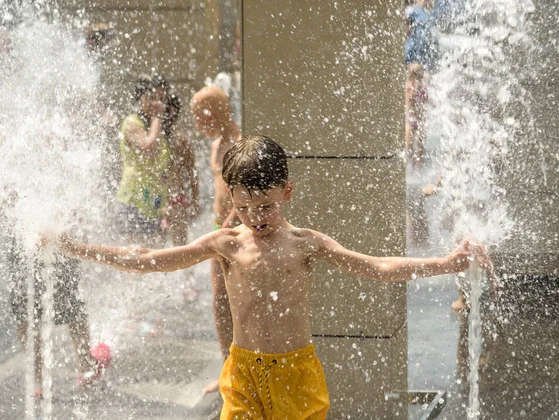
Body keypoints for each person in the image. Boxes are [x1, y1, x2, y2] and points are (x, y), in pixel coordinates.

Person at [45, 135, 486, 418]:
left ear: (287, 192)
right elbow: (148, 257)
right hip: (242, 372)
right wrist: (74, 247)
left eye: (267, 206)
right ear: (232, 200)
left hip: (295, 374)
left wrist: (448, 263)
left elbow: (377, 266)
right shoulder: (227, 244)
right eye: (245, 208)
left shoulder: (305, 243)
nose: (256, 218)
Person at [1, 192, 110, 398]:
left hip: (21, 229)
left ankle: (39, 382)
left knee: (27, 304)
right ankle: (86, 368)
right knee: (69, 299)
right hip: (55, 227)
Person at [190, 85, 240, 392]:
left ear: (218, 112)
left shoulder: (238, 142)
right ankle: (227, 369)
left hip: (234, 231)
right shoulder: (216, 144)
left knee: (236, 301)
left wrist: (230, 223)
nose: (197, 124)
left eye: (200, 116)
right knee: (220, 301)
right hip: (220, 229)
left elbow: (244, 189)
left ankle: (238, 372)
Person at [115, 74, 172, 245]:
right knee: (135, 257)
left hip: (154, 202)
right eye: (153, 98)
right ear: (141, 98)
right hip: (134, 199)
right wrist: (158, 117)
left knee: (154, 255)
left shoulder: (157, 125)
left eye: (162, 98)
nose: (158, 103)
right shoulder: (132, 122)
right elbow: (148, 146)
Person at [162, 93, 200, 246]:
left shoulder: (181, 139)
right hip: (157, 199)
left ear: (172, 111)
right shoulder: (154, 136)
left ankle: (183, 271)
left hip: (175, 198)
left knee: (179, 247)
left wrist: (195, 200)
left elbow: (192, 171)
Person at [405, 62, 428, 168]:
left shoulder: (423, 87)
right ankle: (410, 163)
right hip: (410, 120)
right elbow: (409, 100)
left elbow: (426, 100)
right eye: (414, 74)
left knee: (420, 145)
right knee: (408, 144)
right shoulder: (408, 87)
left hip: (421, 120)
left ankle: (419, 164)